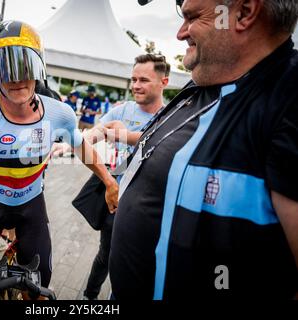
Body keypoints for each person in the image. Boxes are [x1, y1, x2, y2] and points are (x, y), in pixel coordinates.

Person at [108, 0, 298, 300]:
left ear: (245, 12)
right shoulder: (209, 80)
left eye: (193, 17)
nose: (181, 33)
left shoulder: (288, 101)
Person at [0, 20, 118, 300]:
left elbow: (82, 149)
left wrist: (109, 181)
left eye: (25, 66)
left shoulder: (60, 114)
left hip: (30, 205)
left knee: (39, 294)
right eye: (6, 69)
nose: (17, 78)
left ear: (38, 68)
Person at [70, 54, 169, 300]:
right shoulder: (123, 110)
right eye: (134, 79)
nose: (136, 85)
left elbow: (153, 141)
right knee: (107, 254)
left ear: (163, 82)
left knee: (136, 260)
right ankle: (89, 297)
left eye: (144, 80)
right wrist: (88, 139)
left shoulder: (169, 117)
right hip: (114, 199)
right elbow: (96, 132)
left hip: (147, 204)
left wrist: (123, 135)